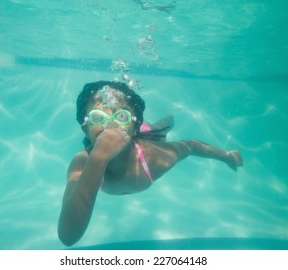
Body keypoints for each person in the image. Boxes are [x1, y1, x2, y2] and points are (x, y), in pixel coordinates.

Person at [58, 80, 243, 246]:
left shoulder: (154, 158)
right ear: (85, 128)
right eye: (98, 118)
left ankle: (164, 122)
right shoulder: (83, 162)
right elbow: (68, 236)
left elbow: (191, 146)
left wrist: (227, 156)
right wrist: (99, 157)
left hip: (144, 141)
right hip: (127, 136)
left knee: (159, 131)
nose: (110, 127)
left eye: (121, 117)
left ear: (134, 126)